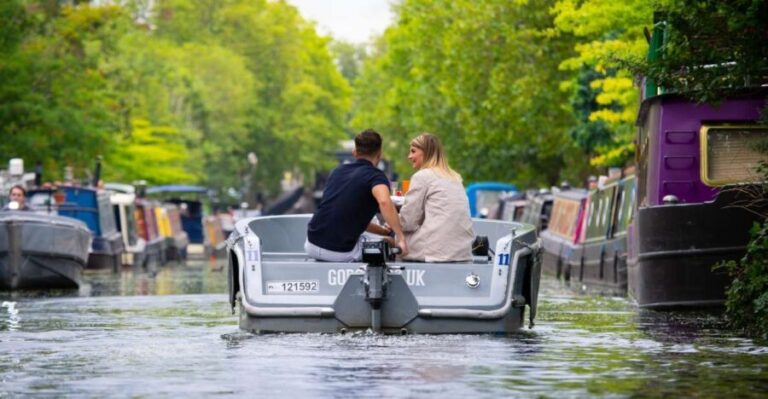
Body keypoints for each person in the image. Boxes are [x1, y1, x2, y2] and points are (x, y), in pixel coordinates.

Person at [305, 129, 408, 261]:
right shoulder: (376, 176)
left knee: (379, 236)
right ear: (379, 153)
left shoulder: (337, 172)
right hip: (340, 252)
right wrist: (400, 236)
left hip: (311, 243)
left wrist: (382, 230)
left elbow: (348, 216)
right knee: (390, 242)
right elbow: (384, 202)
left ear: (355, 152)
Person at [399, 133, 474, 262]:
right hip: (463, 251)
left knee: (396, 240)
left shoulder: (422, 176)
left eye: (413, 151)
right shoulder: (455, 177)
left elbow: (408, 222)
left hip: (435, 251)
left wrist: (391, 223)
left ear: (426, 152)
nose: (409, 156)